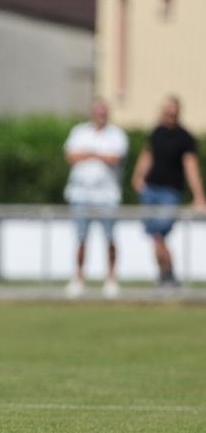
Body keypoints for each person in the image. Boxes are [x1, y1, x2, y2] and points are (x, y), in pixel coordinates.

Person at [131, 96, 206, 288]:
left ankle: (169, 274)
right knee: (155, 236)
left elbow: (191, 167)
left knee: (160, 234)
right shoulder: (156, 133)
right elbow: (147, 155)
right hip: (151, 190)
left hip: (170, 193)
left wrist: (198, 195)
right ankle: (165, 276)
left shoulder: (185, 137)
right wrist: (138, 177)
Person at [62, 99, 128, 299]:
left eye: (104, 112)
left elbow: (114, 158)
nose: (101, 116)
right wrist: (98, 154)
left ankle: (111, 279)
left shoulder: (117, 135)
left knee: (109, 238)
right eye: (98, 112)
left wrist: (89, 153)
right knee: (81, 238)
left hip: (107, 195)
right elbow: (71, 156)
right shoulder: (79, 132)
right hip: (81, 194)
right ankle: (79, 278)